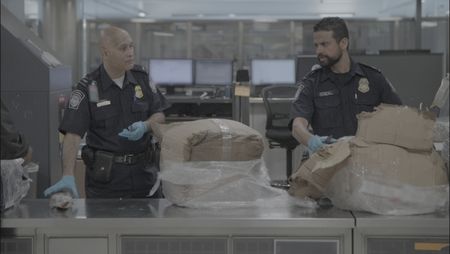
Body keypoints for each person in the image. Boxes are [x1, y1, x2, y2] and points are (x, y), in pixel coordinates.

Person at [44, 26, 169, 198]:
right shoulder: (87, 88)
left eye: (131, 46)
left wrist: (146, 125)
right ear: (106, 52)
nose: (130, 52)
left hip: (145, 178)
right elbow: (72, 135)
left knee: (148, 225)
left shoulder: (142, 78)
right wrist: (68, 174)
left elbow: (160, 114)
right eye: (123, 48)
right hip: (106, 182)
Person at [290, 17, 402, 153]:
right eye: (316, 45)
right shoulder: (312, 83)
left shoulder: (373, 78)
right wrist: (311, 141)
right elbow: (298, 126)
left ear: (343, 43)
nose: (319, 51)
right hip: (329, 159)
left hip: (369, 160)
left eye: (324, 44)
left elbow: (399, 116)